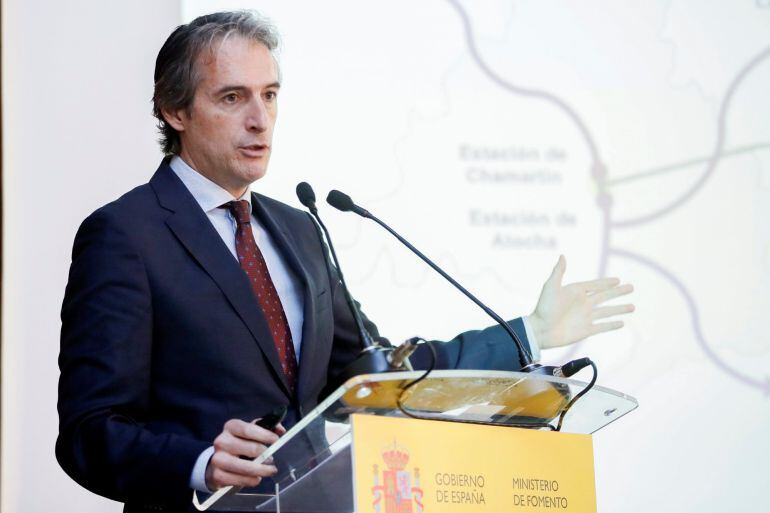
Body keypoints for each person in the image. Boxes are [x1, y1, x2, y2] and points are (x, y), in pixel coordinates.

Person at [56, 11, 634, 513]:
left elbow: (378, 376)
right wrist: (200, 462)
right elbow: (88, 432)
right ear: (174, 111)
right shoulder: (125, 235)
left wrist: (528, 333)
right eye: (233, 98)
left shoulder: (299, 229)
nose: (260, 118)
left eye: (271, 94)